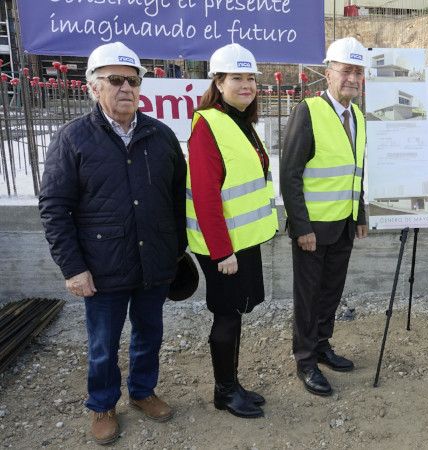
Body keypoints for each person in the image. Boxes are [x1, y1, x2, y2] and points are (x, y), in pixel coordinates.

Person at [38, 42, 186, 445]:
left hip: (153, 262)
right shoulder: (73, 139)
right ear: (92, 87)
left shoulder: (161, 135)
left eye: (133, 80)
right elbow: (54, 207)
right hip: (101, 267)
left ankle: (142, 392)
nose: (126, 88)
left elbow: (176, 198)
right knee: (103, 342)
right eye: (115, 80)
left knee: (149, 333)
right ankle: (103, 404)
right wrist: (72, 267)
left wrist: (176, 251)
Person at [186, 43, 277, 418]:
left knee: (237, 312)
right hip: (221, 247)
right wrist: (222, 252)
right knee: (225, 315)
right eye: (237, 77)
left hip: (242, 241)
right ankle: (224, 391)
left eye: (251, 78)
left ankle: (233, 384)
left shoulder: (240, 121)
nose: (246, 84)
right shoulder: (208, 124)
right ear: (218, 82)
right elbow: (206, 196)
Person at [280, 36, 368, 397]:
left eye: (358, 72)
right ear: (329, 73)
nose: (352, 78)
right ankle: (305, 359)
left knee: (331, 293)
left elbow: (355, 171)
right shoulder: (309, 111)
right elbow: (290, 174)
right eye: (346, 70)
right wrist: (301, 227)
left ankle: (322, 344)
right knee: (309, 296)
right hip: (313, 230)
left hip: (344, 225)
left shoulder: (358, 117)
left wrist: (359, 213)